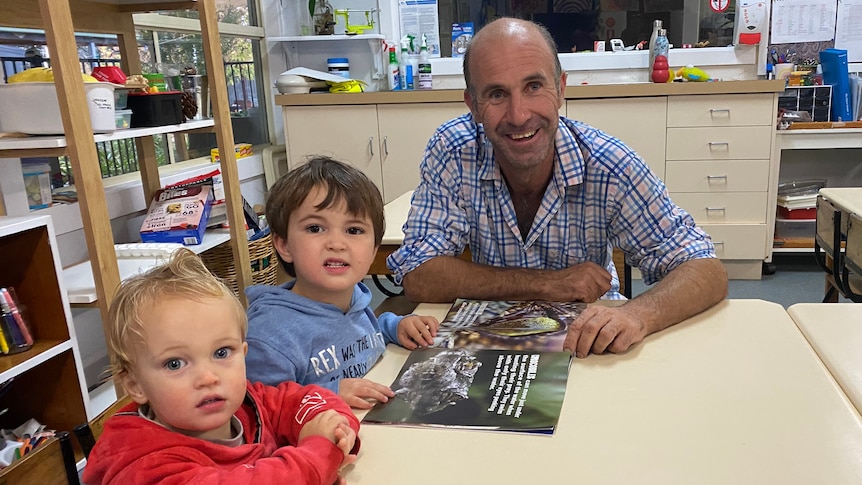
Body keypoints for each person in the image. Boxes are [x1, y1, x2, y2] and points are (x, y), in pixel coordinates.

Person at [387, 18, 728, 359]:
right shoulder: (453, 150)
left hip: (591, 344)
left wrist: (637, 315)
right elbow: (419, 274)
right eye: (496, 94)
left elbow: (704, 268)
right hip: (491, 341)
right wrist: (548, 283)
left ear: (561, 88)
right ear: (472, 105)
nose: (519, 115)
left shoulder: (610, 164)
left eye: (534, 86)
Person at [82, 249, 359, 485]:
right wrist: (317, 455)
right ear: (135, 385)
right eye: (175, 363)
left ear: (244, 353)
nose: (208, 377)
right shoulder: (141, 463)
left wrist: (335, 430)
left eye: (222, 352)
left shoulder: (248, 404)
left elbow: (305, 400)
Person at [245, 156, 440, 409]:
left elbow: (354, 335)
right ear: (284, 245)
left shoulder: (354, 299)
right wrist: (326, 395)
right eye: (315, 228)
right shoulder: (269, 337)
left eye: (354, 231)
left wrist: (394, 326)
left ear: (373, 251)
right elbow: (258, 411)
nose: (337, 243)